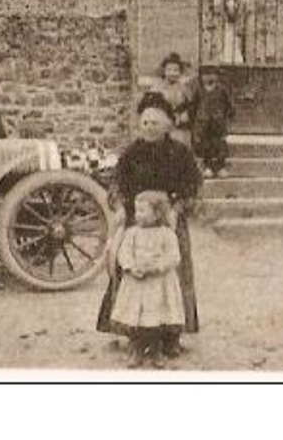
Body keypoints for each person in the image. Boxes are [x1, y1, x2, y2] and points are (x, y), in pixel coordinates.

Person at [97, 94, 202, 359]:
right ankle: (134, 333)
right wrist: (121, 207)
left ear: (168, 124)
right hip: (137, 222)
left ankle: (171, 336)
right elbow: (117, 185)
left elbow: (194, 187)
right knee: (133, 275)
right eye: (145, 123)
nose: (149, 127)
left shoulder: (180, 153)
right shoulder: (132, 152)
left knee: (172, 280)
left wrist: (178, 209)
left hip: (169, 224)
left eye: (155, 122)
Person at [107, 190, 186, 368]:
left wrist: (156, 267)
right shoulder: (132, 233)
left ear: (157, 214)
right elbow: (124, 253)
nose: (138, 215)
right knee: (136, 316)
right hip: (136, 282)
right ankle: (136, 349)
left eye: (143, 211)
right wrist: (131, 267)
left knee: (155, 317)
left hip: (158, 283)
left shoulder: (167, 234)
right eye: (136, 211)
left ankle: (156, 349)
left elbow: (174, 257)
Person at [190, 69, 234, 177]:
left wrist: (225, 116)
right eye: (205, 75)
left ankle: (220, 167)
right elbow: (193, 106)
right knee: (205, 145)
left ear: (217, 76)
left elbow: (229, 105)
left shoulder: (222, 90)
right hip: (203, 123)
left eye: (212, 75)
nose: (208, 77)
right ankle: (207, 167)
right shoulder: (199, 90)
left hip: (218, 123)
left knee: (219, 145)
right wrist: (196, 120)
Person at [151, 54, 195, 147]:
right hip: (163, 122)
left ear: (180, 72)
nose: (172, 73)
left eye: (176, 70)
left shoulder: (184, 89)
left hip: (180, 125)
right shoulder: (157, 88)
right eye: (169, 70)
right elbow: (152, 106)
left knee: (180, 145)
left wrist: (186, 113)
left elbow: (191, 104)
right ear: (164, 71)